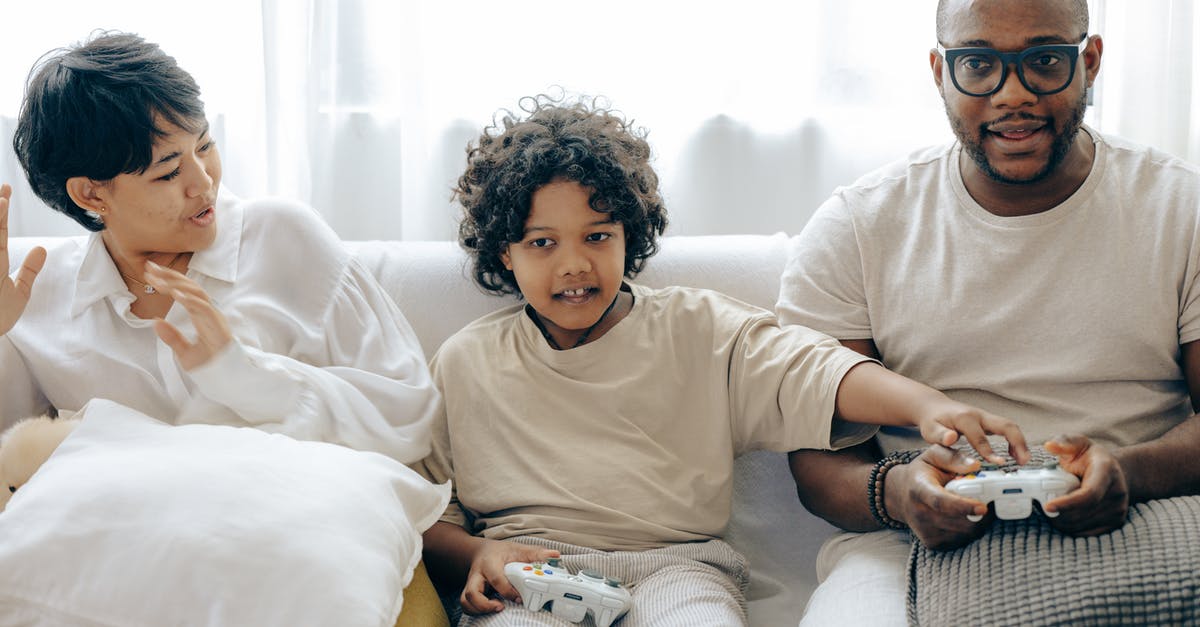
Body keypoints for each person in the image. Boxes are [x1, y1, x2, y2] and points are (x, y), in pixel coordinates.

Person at [415, 95, 1028, 626]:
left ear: (630, 234)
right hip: (529, 578)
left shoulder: (700, 328)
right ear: (505, 253)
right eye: (542, 243)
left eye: (597, 236)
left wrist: (928, 407)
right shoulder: (466, 362)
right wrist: (478, 556)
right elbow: (421, 511)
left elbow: (812, 372)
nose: (574, 264)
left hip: (678, 569)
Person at [777, 0, 1200, 624]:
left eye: (1045, 60)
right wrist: (900, 491)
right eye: (978, 64)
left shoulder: (1182, 208)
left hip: (1153, 503)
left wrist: (1132, 474)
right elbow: (819, 464)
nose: (1013, 94)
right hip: (917, 533)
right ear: (939, 72)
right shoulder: (857, 227)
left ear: (1090, 61)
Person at [0, 31, 437, 463]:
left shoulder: (283, 238)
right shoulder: (35, 296)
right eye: (169, 172)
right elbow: (14, 469)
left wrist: (246, 376)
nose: (203, 181)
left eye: (204, 145)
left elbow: (409, 421)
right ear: (91, 194)